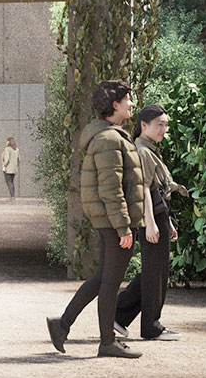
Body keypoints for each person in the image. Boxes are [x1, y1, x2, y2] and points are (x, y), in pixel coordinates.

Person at [47, 80, 147, 359]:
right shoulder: (108, 140)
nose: (131, 103)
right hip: (114, 223)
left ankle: (62, 324)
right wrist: (123, 227)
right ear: (114, 105)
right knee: (111, 283)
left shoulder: (110, 135)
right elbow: (111, 189)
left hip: (110, 221)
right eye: (127, 99)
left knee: (103, 277)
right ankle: (107, 342)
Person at [115, 106, 182, 342]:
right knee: (156, 273)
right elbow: (143, 188)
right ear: (144, 125)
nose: (164, 129)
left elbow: (158, 190)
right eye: (159, 124)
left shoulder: (149, 149)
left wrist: (168, 223)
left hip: (159, 215)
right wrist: (150, 224)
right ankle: (151, 327)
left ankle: (119, 314)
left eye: (165, 124)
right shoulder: (143, 150)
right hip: (151, 217)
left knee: (155, 271)